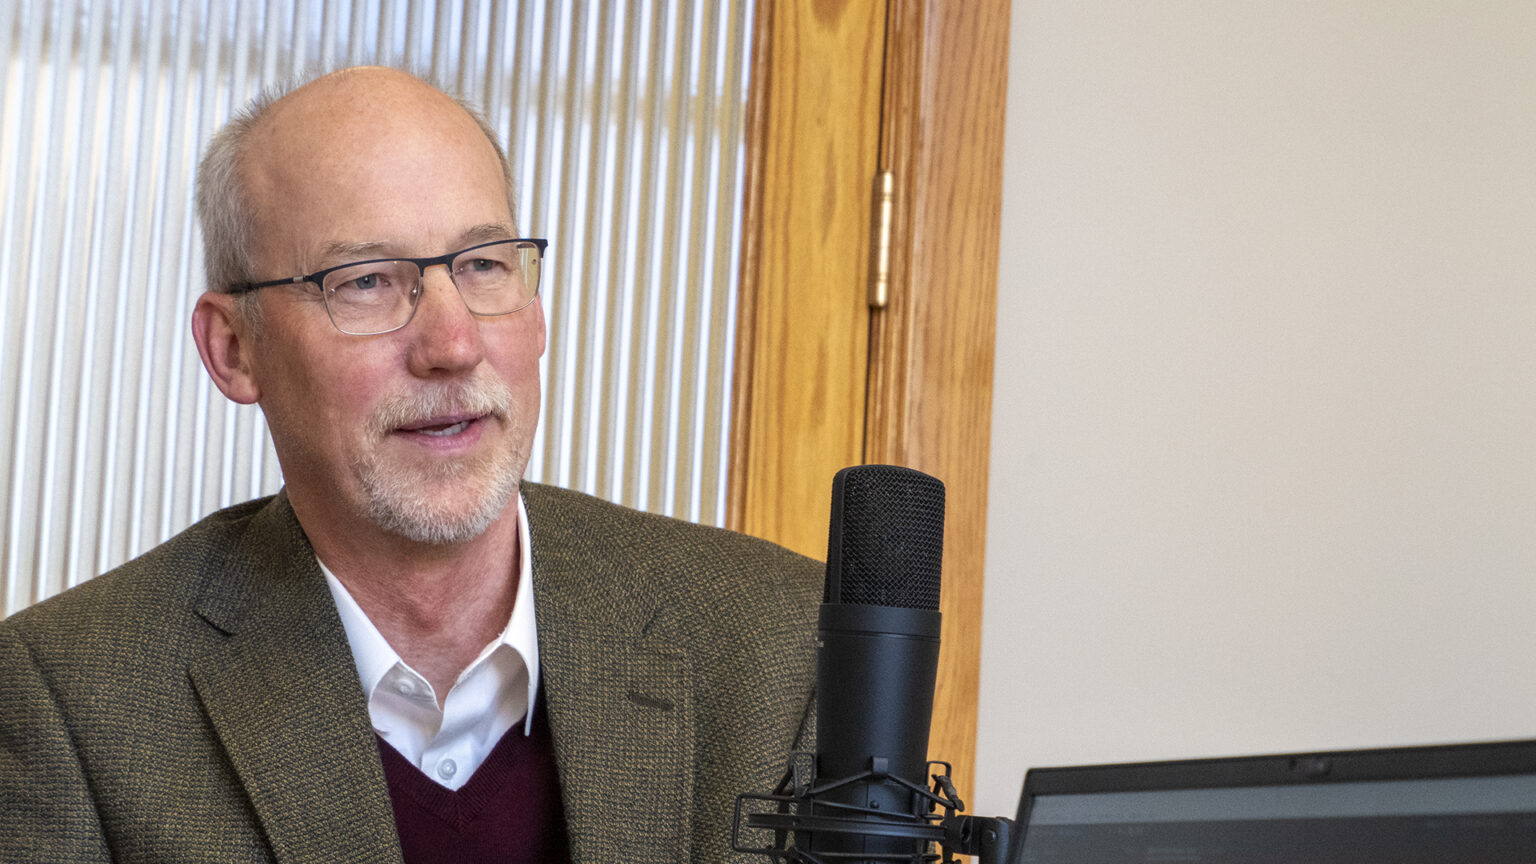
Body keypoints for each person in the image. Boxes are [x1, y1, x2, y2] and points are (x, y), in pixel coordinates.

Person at [0, 66, 820, 864]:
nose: (453, 345)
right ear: (234, 348)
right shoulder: (72, 704)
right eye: (365, 282)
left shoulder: (782, 643)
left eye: (484, 265)